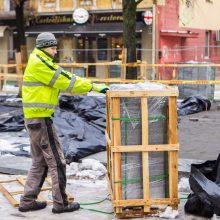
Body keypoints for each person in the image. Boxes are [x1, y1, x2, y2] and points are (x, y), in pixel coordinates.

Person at [19, 32, 109, 214]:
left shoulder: (40, 60)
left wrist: (88, 84)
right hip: (41, 119)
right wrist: (93, 86)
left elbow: (64, 74)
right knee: (57, 162)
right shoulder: (40, 63)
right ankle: (61, 203)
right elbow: (66, 81)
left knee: (40, 161)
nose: (55, 50)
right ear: (44, 46)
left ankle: (27, 200)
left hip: (34, 118)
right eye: (52, 47)